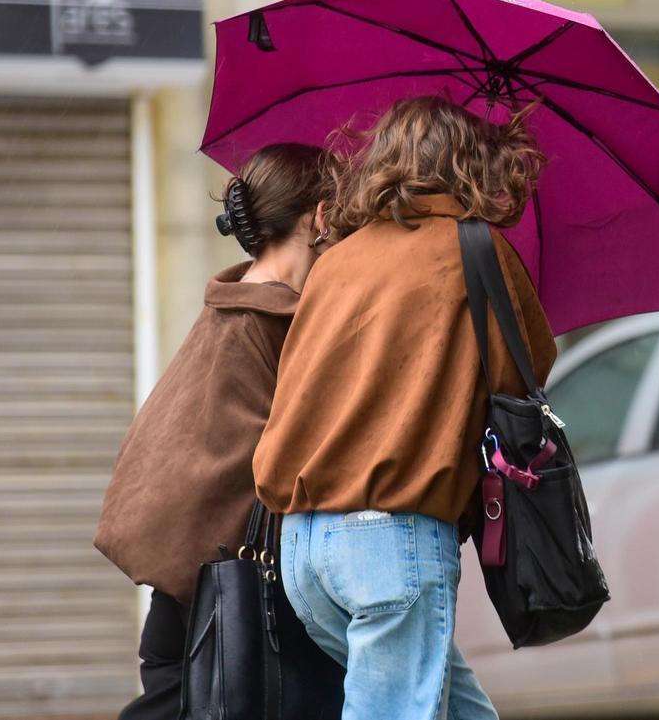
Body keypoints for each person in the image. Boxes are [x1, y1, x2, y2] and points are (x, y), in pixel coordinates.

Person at [252, 96, 557, 720]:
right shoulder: (477, 251)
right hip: (391, 542)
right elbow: (525, 376)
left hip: (303, 546)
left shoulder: (335, 261)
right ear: (469, 164)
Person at [94, 142, 336, 720]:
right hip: (233, 599)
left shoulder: (229, 306)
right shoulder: (276, 321)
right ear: (321, 216)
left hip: (190, 586)